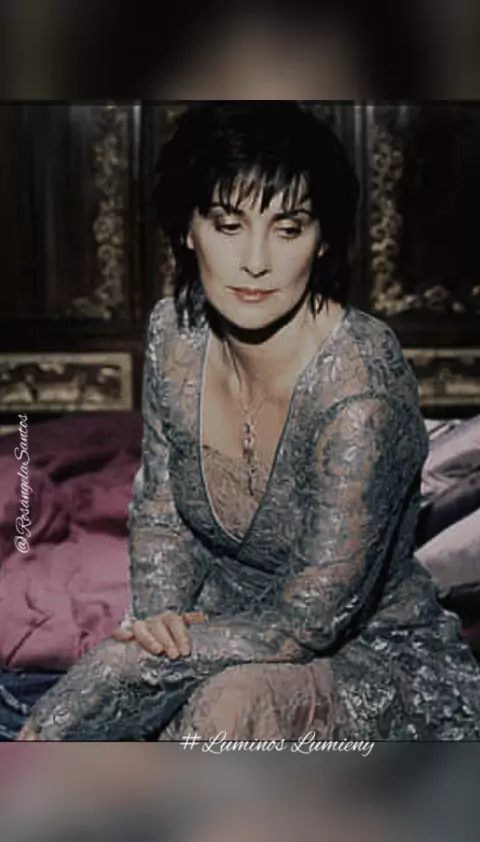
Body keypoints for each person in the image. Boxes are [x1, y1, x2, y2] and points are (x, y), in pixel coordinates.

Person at [17, 102, 480, 741]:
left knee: (215, 709)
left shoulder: (360, 386)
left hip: (359, 651)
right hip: (212, 629)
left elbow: (310, 621)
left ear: (322, 241)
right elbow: (163, 511)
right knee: (67, 728)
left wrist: (134, 663)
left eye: (287, 228)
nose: (255, 261)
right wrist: (161, 623)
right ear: (189, 229)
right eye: (228, 224)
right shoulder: (173, 334)